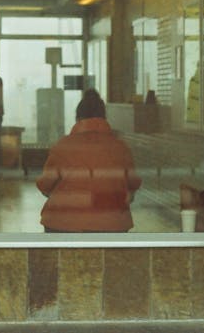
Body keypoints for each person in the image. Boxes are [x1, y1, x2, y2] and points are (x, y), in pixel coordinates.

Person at [36, 89, 141, 232]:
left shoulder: (64, 146)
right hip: (112, 224)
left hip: (63, 224)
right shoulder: (120, 147)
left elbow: (45, 185)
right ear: (104, 118)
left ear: (78, 118)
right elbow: (133, 184)